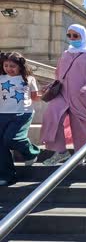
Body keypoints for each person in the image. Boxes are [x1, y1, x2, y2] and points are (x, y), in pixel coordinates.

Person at [41, 24, 86, 166]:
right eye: (69, 35)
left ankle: (80, 153)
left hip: (82, 95)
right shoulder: (66, 53)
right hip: (62, 93)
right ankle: (60, 152)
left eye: (75, 35)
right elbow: (59, 73)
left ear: (83, 36)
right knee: (52, 116)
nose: (71, 38)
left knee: (80, 125)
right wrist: (52, 84)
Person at [0, 52, 41, 186]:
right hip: (2, 114)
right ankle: (8, 176)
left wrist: (49, 94)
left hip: (22, 114)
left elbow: (35, 97)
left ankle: (31, 152)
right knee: (1, 145)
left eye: (12, 66)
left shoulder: (29, 79)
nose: (8, 68)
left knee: (12, 139)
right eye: (6, 65)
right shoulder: (1, 78)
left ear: (20, 67)